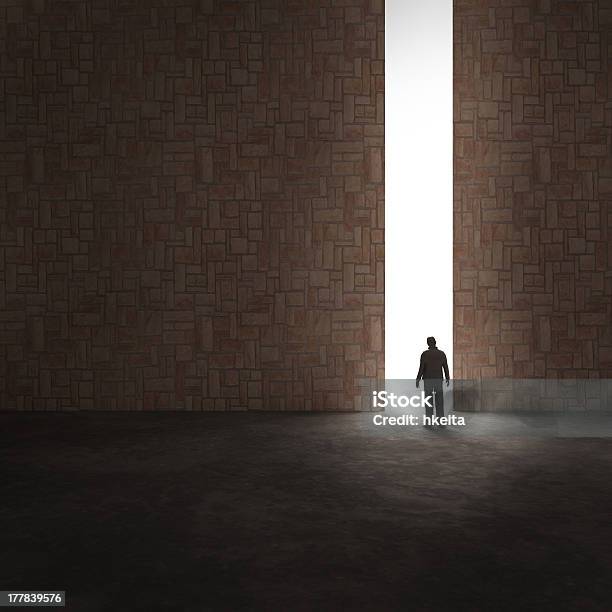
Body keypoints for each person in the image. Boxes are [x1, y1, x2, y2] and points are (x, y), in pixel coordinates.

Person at [415, 336, 450, 420]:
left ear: (428, 343)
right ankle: (440, 421)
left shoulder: (425, 354)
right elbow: (445, 367)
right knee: (439, 401)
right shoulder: (442, 353)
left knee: (428, 401)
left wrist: (418, 379)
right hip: (438, 380)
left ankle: (429, 421)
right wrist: (447, 377)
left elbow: (422, 368)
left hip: (428, 380)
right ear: (435, 342)